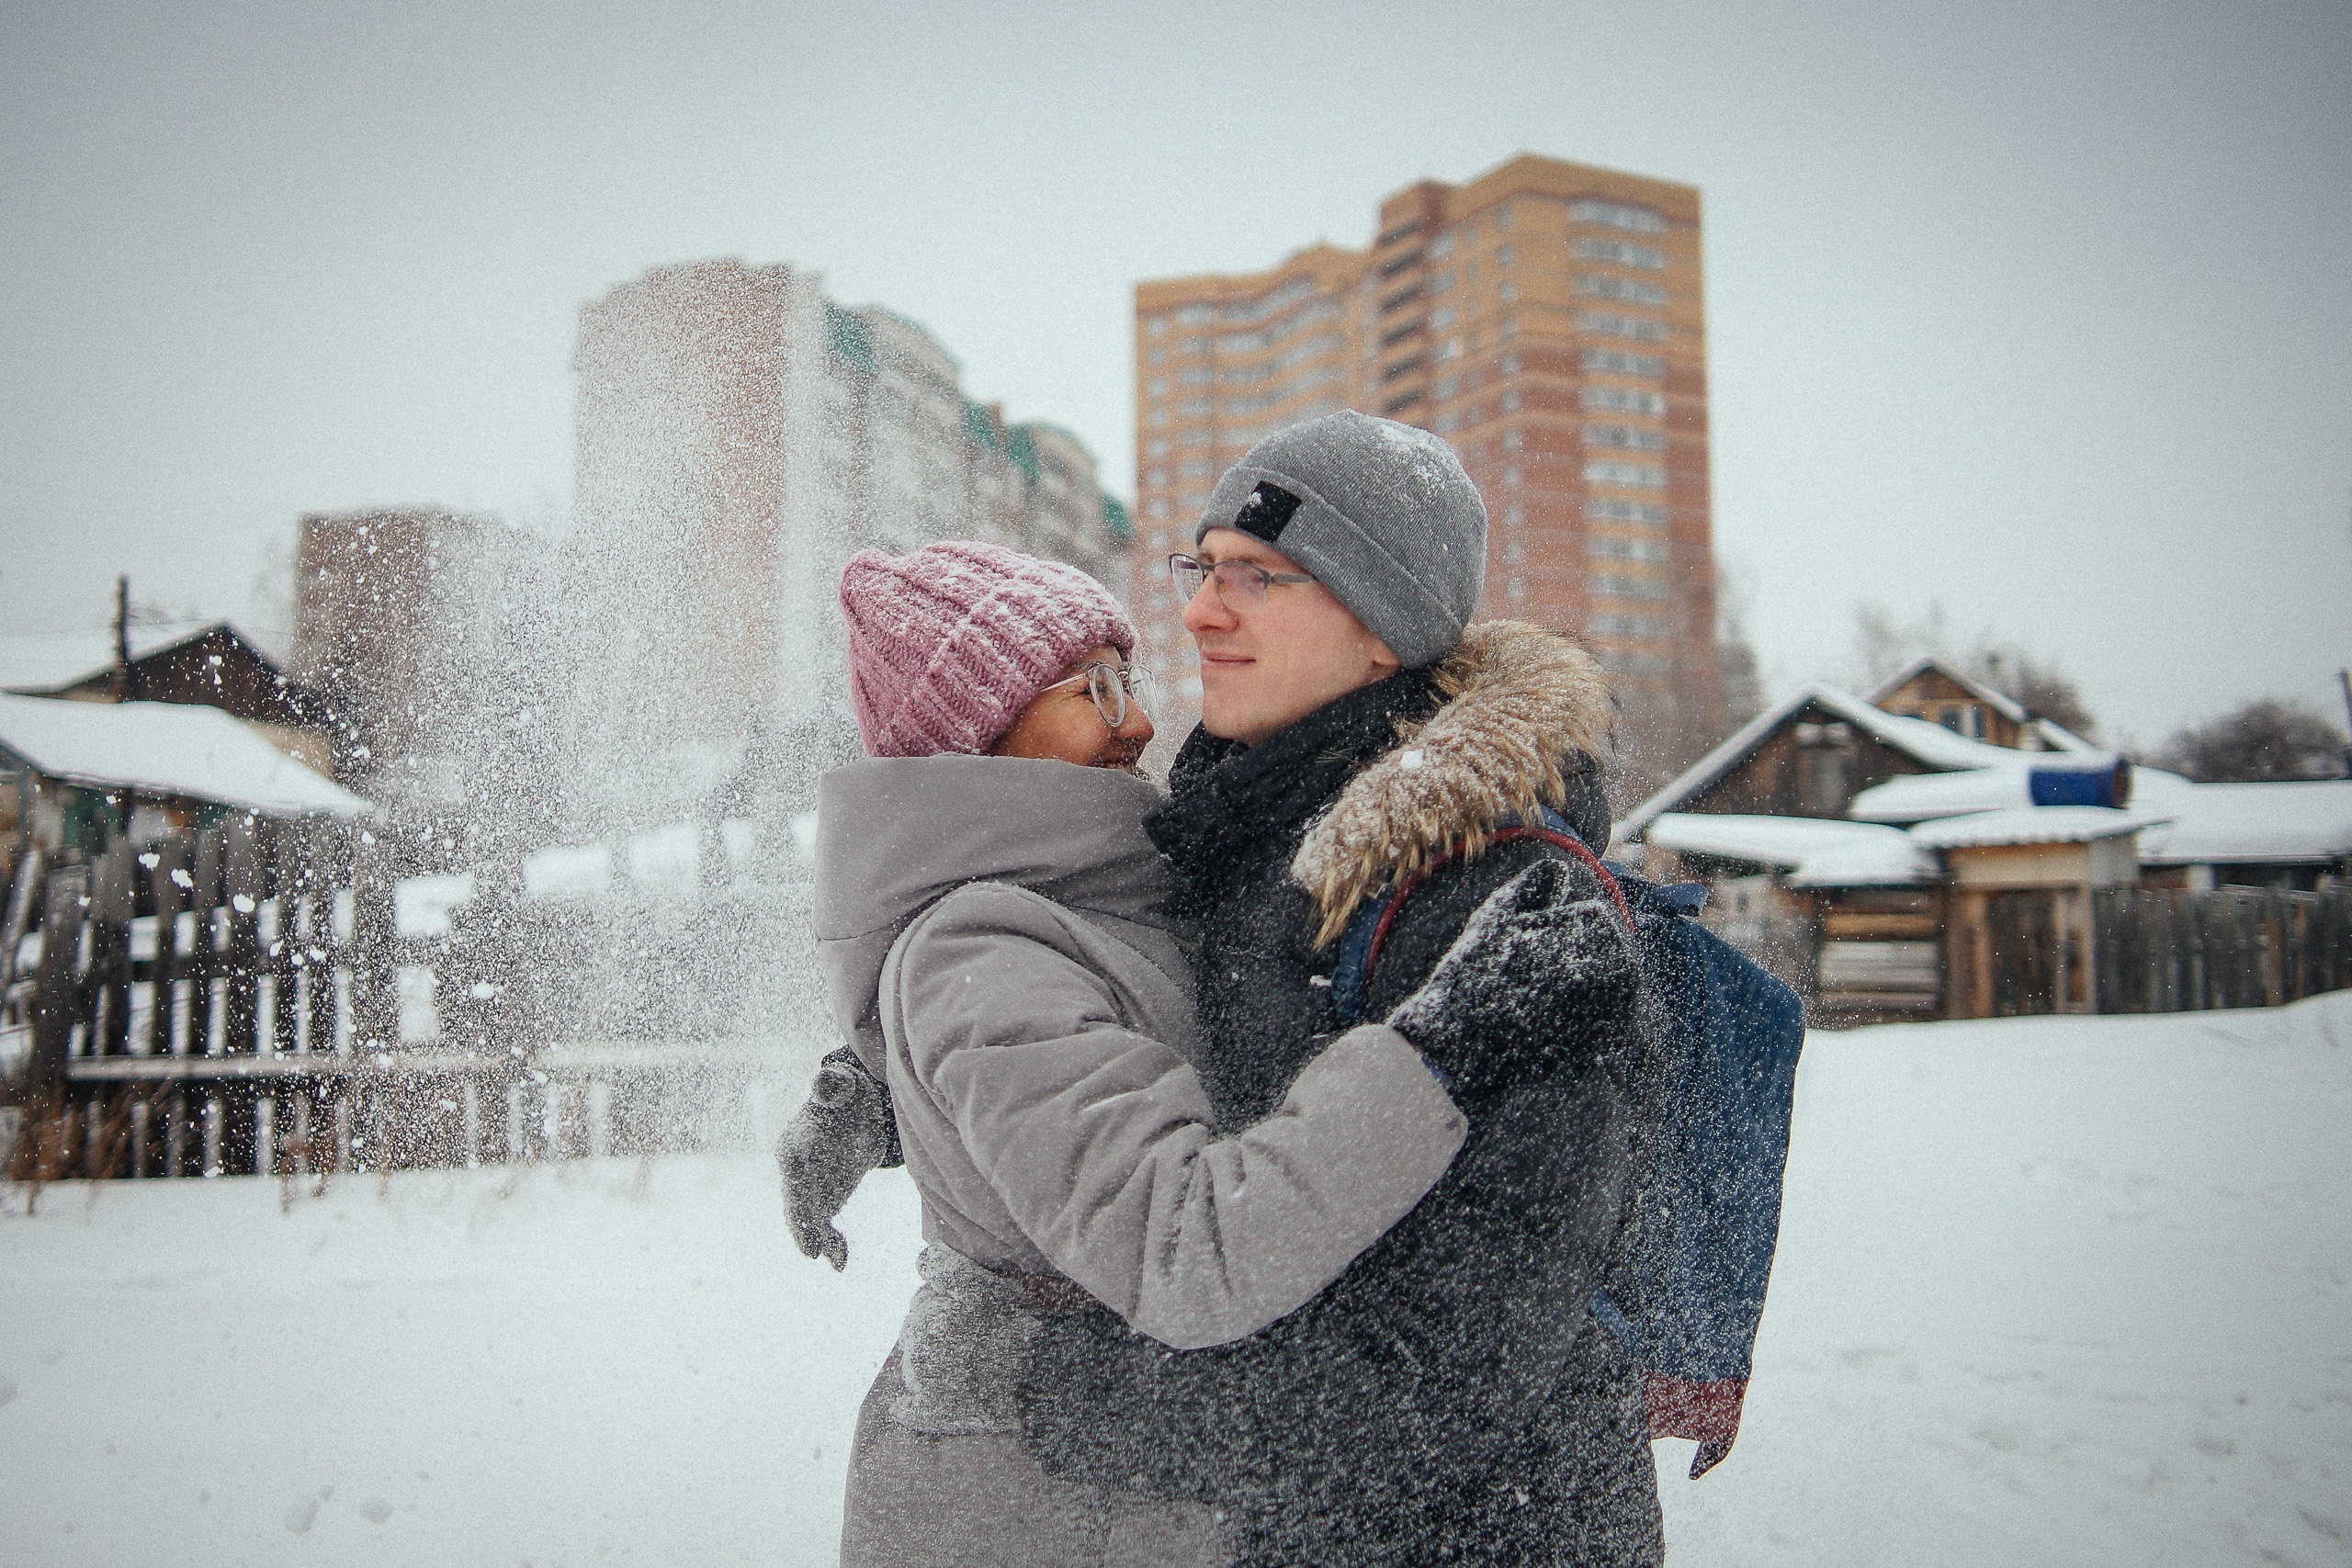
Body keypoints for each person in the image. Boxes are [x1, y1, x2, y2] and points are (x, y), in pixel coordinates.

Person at [803, 539, 1611, 1568]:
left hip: (1126, 1492)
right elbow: (1185, 1248)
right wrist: (1438, 1049)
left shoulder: (1102, 897)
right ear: (974, 733)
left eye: (1126, 680)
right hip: (1042, 1509)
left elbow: (1098, 1032)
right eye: (1091, 687)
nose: (1136, 720)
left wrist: (871, 1086)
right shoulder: (987, 943)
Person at [1019, 410, 1666, 1565]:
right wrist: (909, 1082)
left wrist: (1074, 1393)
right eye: (1203, 568)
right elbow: (1128, 1015)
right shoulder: (1242, 843)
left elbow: (1440, 1380)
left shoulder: (1509, 908)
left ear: (1384, 629)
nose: (1199, 610)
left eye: (1259, 577)